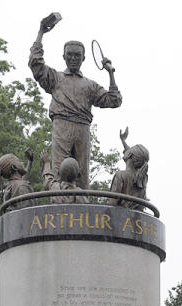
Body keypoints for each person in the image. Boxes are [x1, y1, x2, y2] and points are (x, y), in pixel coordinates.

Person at [29, 12, 122, 189]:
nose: (73, 58)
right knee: (58, 173)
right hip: (61, 126)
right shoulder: (55, 78)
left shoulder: (90, 86)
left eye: (77, 56)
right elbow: (36, 64)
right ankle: (57, 205)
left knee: (82, 175)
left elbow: (114, 100)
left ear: (83, 59)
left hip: (82, 129)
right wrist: (41, 33)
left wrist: (111, 73)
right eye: (69, 55)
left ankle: (83, 206)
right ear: (64, 57)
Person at [108, 127, 149, 210]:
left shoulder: (120, 175)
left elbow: (112, 204)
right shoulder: (143, 178)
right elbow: (129, 151)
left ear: (129, 155)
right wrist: (123, 141)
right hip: (134, 219)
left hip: (119, 218)